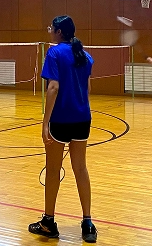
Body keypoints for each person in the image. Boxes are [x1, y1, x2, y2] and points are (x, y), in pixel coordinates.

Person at [28, 16, 97, 243]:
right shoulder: (85, 56)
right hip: (82, 119)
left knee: (53, 170)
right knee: (81, 169)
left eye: (51, 28)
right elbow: (87, 88)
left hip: (60, 119)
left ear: (58, 32)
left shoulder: (55, 53)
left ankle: (48, 222)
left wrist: (45, 122)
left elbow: (53, 87)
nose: (49, 31)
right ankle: (87, 222)